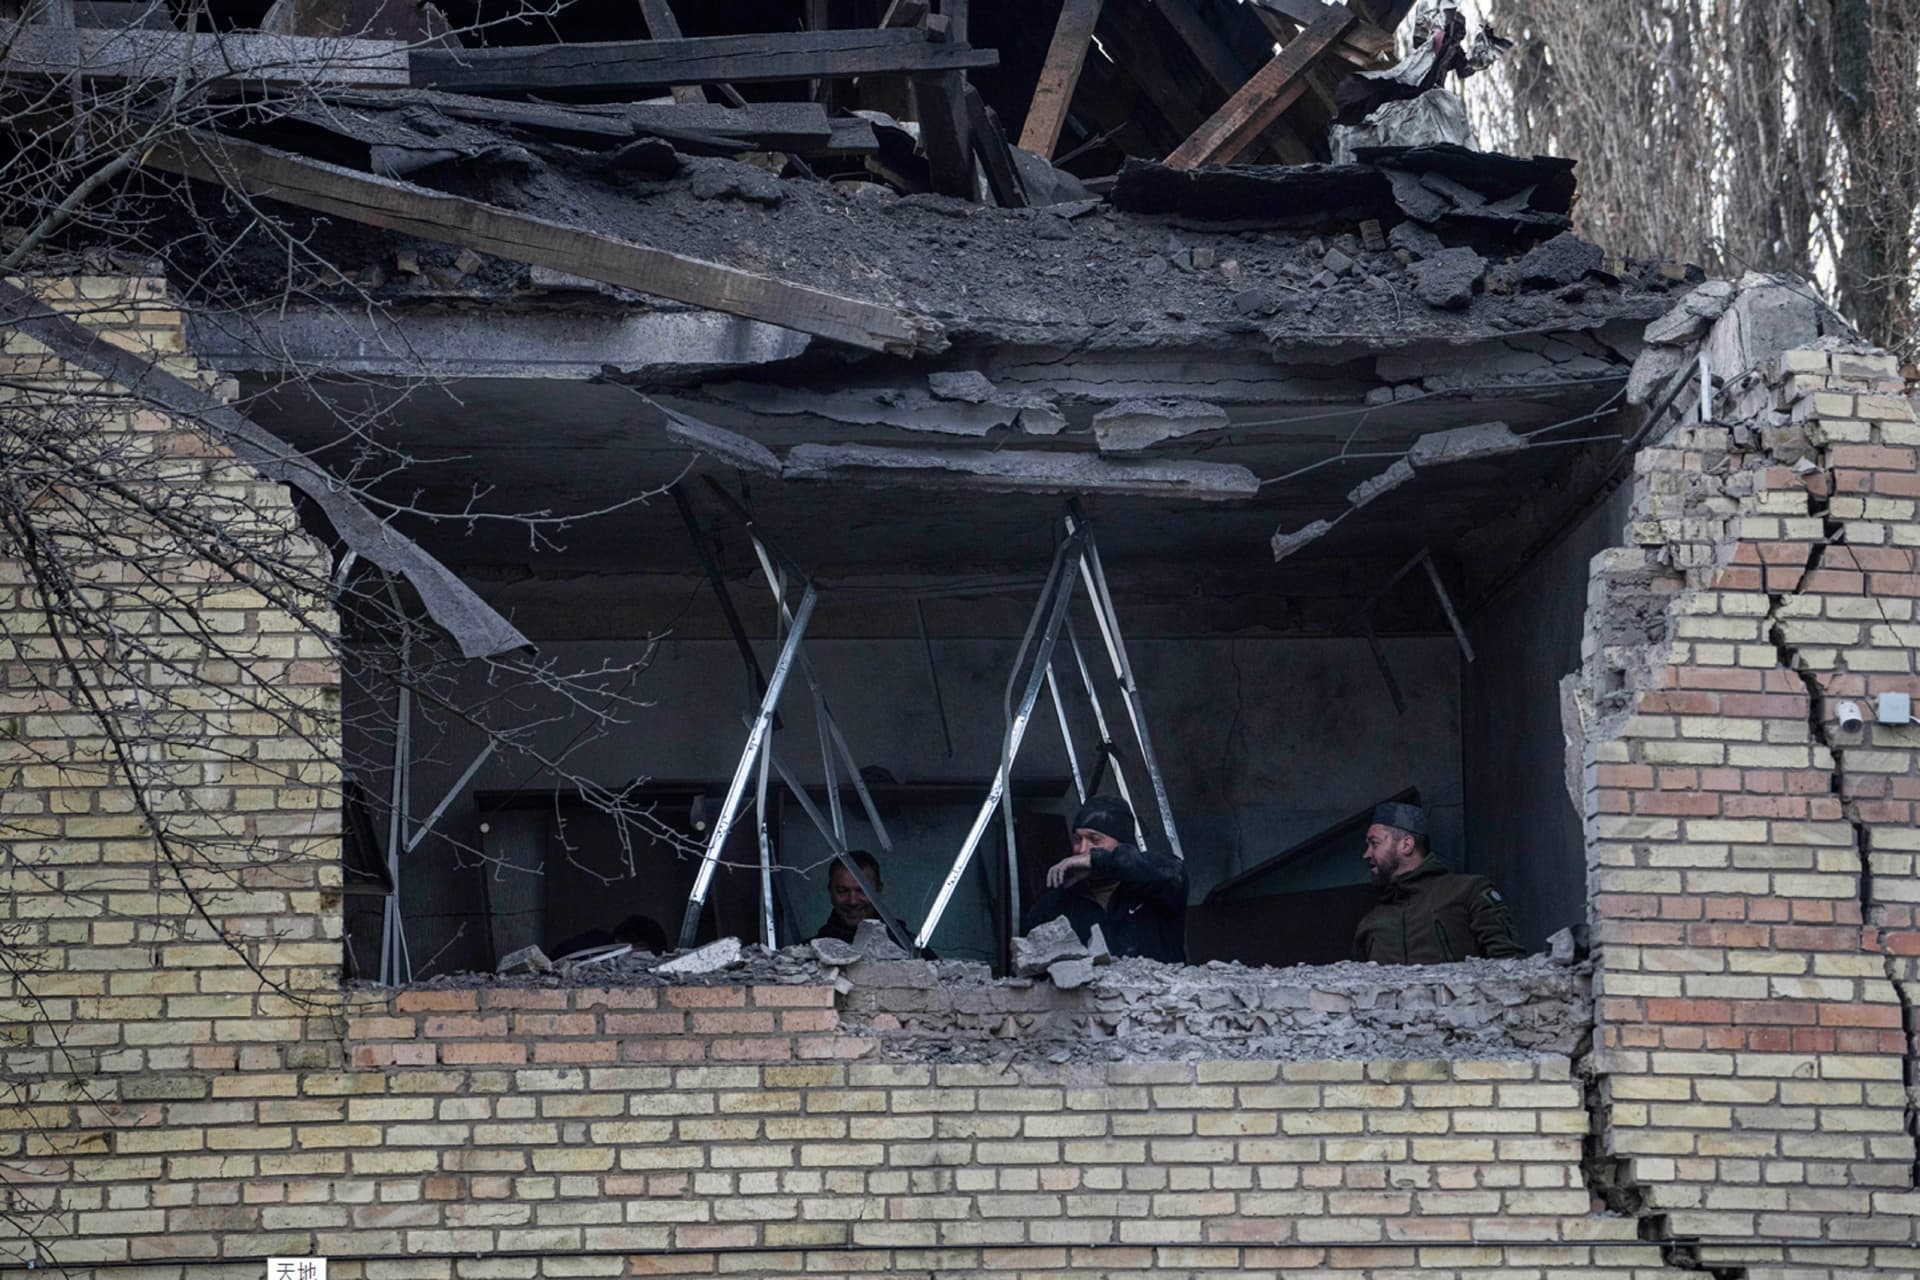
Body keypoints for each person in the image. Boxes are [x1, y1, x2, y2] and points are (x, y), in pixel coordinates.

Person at [1021, 795, 1187, 963]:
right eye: (1078, 839)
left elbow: (1173, 873)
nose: (1082, 849)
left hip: (1157, 988)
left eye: (1095, 839)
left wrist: (1097, 861)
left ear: (1123, 845)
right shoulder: (1060, 901)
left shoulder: (1155, 883)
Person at [1352, 802, 1523, 963]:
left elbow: (1508, 963)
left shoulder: (1468, 891)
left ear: (1406, 845)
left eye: (1374, 843)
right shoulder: (1371, 922)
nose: (1366, 854)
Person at [812, 850, 904, 946]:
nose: (853, 901)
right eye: (843, 891)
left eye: (863, 891)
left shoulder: (910, 950)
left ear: (878, 891)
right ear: (830, 892)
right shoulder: (808, 953)